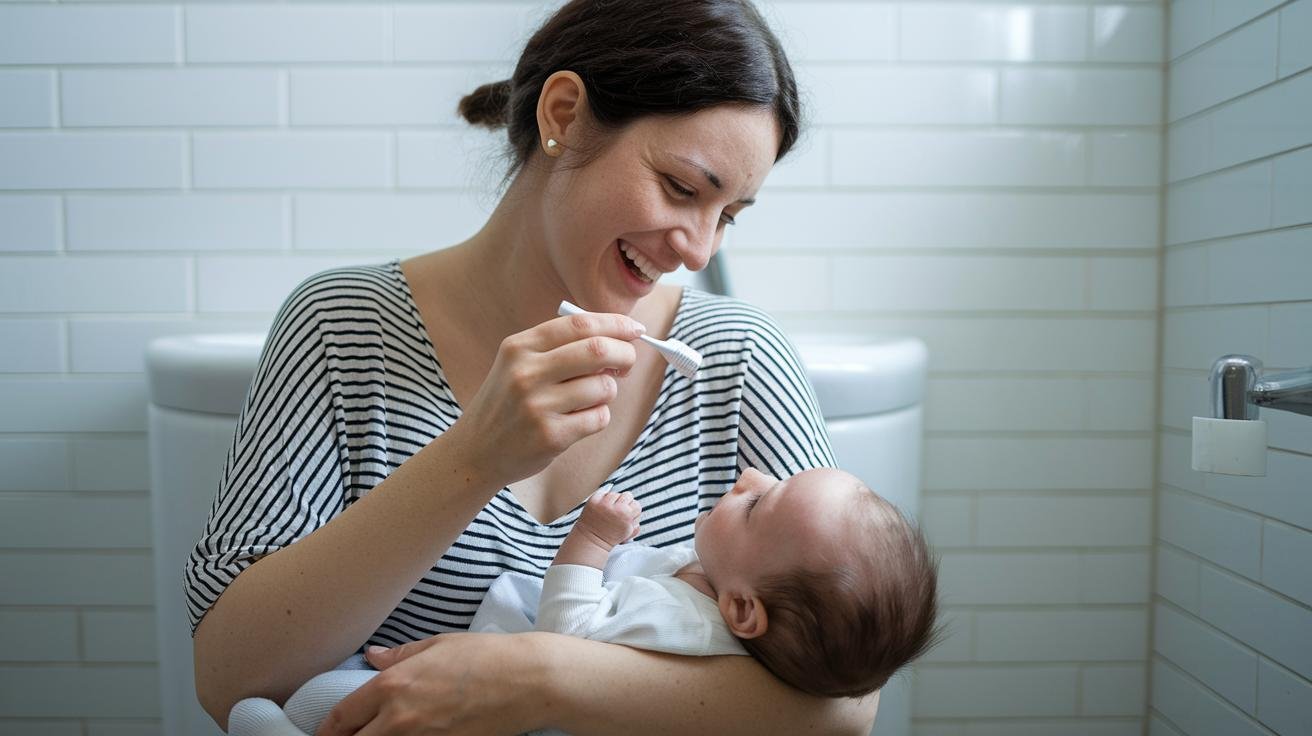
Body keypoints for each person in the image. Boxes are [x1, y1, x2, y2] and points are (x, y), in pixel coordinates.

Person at [187, 1, 885, 733]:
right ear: (564, 113)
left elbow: (847, 707)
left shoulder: (738, 357)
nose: (699, 250)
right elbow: (229, 677)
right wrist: (476, 456)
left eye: (728, 215)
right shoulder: (340, 327)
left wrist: (541, 677)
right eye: (683, 189)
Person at [224, 469, 940, 735]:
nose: (749, 476)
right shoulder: (719, 597)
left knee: (323, 697)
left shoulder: (683, 621)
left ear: (746, 611)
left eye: (758, 505)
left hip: (488, 711)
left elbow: (566, 633)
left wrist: (592, 540)